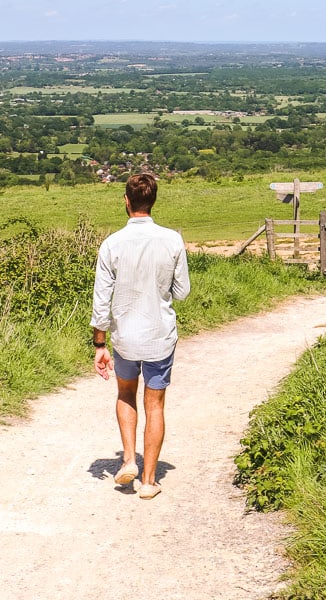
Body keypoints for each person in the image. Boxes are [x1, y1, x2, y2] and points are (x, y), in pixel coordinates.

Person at [91, 172, 190, 498]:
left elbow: (101, 300)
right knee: (156, 405)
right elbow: (182, 291)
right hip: (159, 335)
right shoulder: (173, 240)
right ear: (153, 201)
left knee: (125, 394)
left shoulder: (111, 244)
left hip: (124, 339)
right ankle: (149, 480)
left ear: (127, 201)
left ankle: (128, 460)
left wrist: (100, 344)